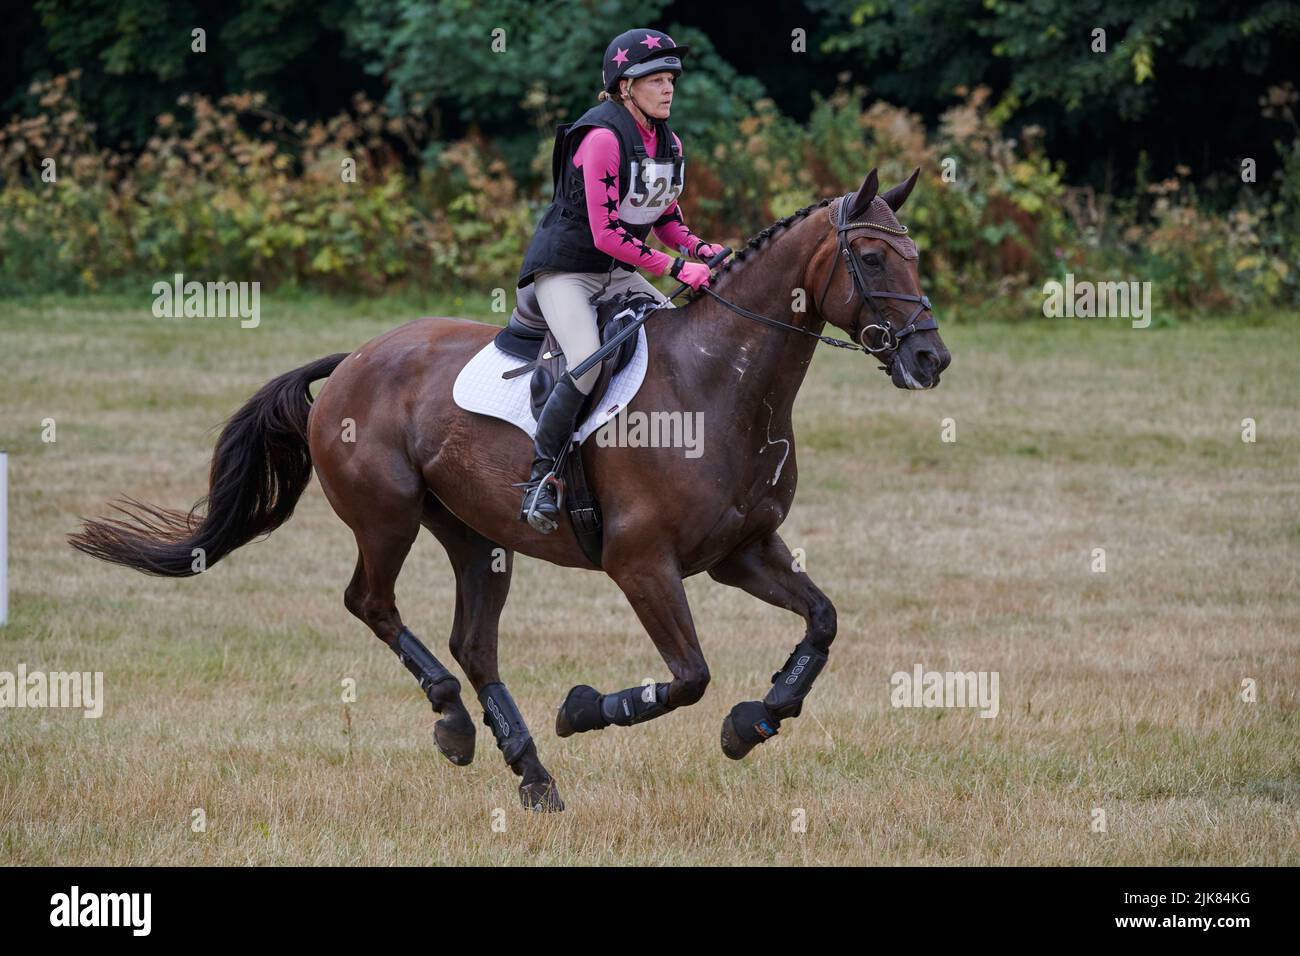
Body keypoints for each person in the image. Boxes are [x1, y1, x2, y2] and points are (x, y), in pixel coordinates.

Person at [514, 26, 729, 533]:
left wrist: (699, 248)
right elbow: (607, 234)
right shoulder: (602, 139)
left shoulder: (668, 142)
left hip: (616, 274)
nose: (668, 88)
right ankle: (540, 480)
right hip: (565, 273)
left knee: (679, 342)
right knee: (588, 363)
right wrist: (677, 268)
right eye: (654, 79)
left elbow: (664, 218)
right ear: (624, 87)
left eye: (671, 78)